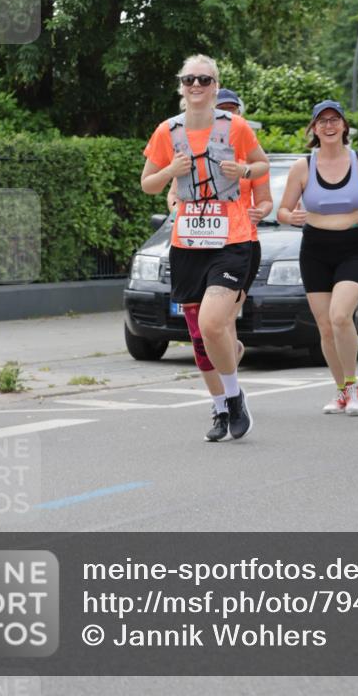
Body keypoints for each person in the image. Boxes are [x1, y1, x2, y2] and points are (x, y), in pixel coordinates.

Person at [142, 56, 269, 441]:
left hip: (232, 239)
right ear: (181, 86)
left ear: (215, 85)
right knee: (201, 337)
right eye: (189, 79)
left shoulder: (236, 128)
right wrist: (169, 173)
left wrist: (244, 171)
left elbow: (262, 165)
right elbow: (148, 183)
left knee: (215, 322)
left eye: (204, 79)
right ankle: (219, 409)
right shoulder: (168, 131)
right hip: (188, 243)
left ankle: (234, 398)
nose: (196, 85)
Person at [277, 100, 358, 415]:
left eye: (335, 120)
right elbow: (283, 210)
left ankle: (355, 388)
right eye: (322, 121)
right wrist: (292, 217)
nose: (329, 126)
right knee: (325, 326)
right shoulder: (303, 167)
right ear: (313, 128)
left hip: (354, 246)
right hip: (315, 248)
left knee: (340, 316)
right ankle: (341, 390)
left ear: (344, 126)